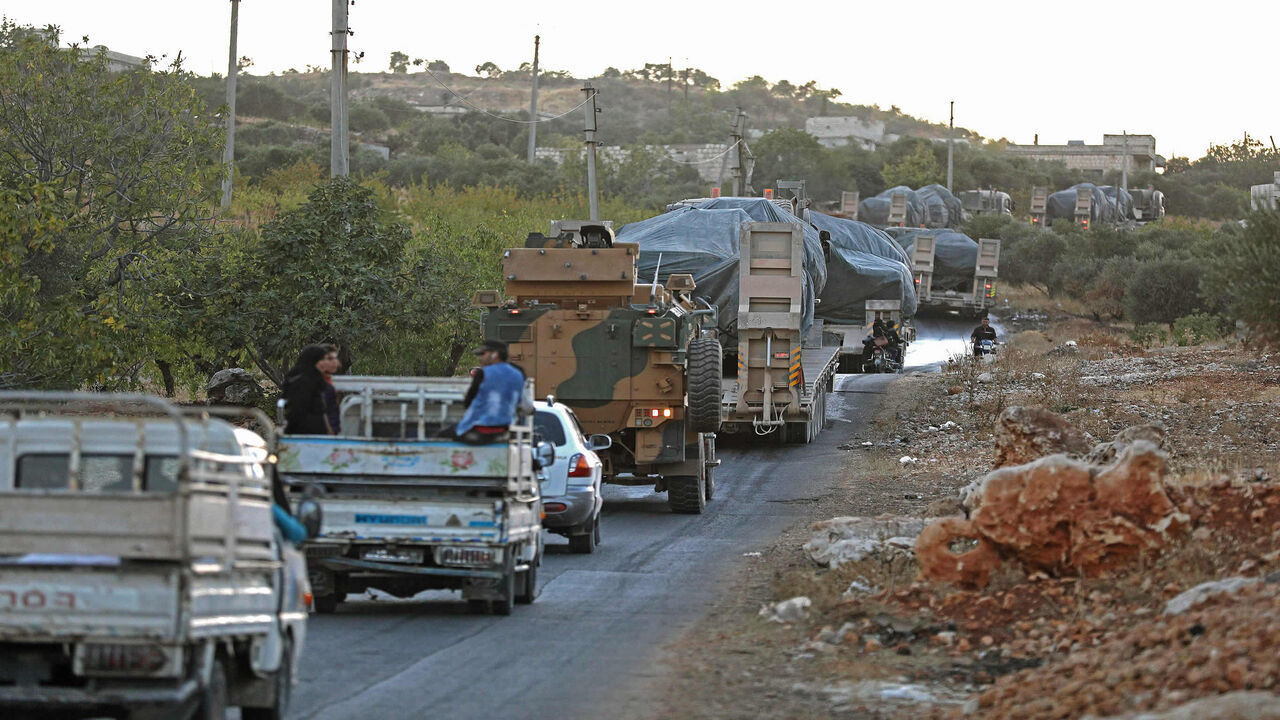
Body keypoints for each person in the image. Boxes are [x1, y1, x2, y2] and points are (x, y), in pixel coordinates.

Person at [448, 339, 525, 444]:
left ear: (495, 355)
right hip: (505, 429)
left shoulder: (482, 373)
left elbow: (468, 403)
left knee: (442, 435)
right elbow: (520, 401)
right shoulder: (519, 374)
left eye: (483, 354)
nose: (480, 358)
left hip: (480, 430)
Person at [281, 344, 334, 435]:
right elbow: (297, 412)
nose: (326, 363)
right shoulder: (302, 382)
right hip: (304, 437)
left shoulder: (315, 379)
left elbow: (321, 410)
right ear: (313, 360)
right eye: (322, 359)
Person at [319, 346, 342, 434]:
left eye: (335, 358)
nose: (335, 362)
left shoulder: (329, 380)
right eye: (330, 359)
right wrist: (330, 432)